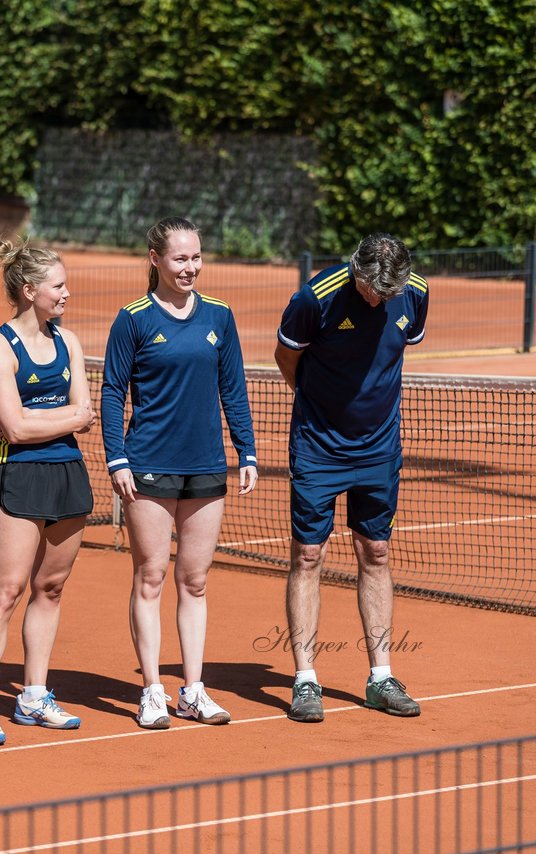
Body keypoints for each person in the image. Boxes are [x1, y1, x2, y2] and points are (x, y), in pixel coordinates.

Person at [100, 216, 258, 730]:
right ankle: (151, 690)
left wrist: (247, 452)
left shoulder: (220, 315)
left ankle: (193, 690)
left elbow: (233, 388)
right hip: (147, 465)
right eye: (180, 258)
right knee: (151, 576)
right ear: (156, 260)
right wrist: (116, 457)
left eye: (196, 257)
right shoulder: (134, 318)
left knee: (195, 581)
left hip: (206, 466)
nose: (190, 267)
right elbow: (111, 391)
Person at [273, 232, 429, 723]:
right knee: (309, 553)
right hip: (318, 446)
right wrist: (318, 410)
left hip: (379, 448)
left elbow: (395, 350)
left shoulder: (417, 294)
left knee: (376, 552)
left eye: (387, 294)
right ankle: (305, 681)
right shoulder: (313, 299)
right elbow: (286, 358)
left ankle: (381, 677)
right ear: (355, 270)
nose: (376, 299)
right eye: (369, 289)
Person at [0, 238, 96, 746]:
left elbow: (84, 416)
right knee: (7, 591)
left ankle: (33, 695)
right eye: (58, 285)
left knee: (51, 589)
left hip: (68, 473)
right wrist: (53, 418)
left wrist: (40, 417)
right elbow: (13, 429)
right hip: (19, 475)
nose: (67, 293)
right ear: (29, 290)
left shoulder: (71, 342)